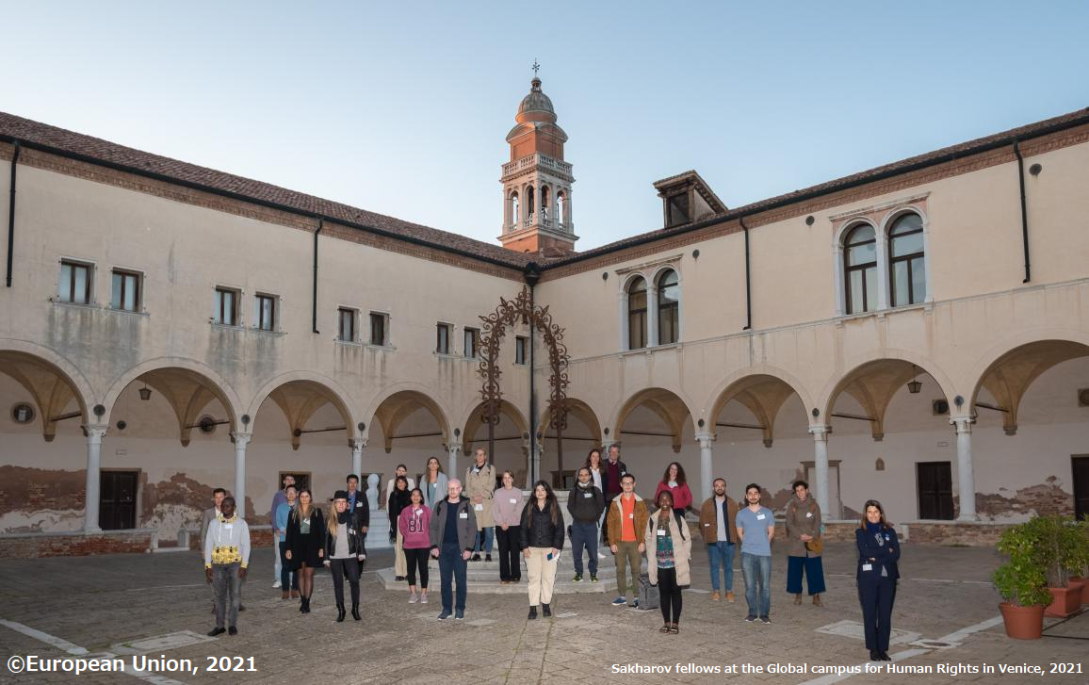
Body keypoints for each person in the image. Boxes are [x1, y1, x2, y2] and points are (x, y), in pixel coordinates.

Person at [857, 499, 900, 662]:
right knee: (869, 615)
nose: (873, 515)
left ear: (880, 513)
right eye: (870, 512)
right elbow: (866, 552)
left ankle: (882, 648)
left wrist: (878, 555)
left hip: (888, 578)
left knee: (884, 615)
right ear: (865, 514)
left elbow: (896, 554)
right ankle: (873, 649)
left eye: (876, 512)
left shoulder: (890, 531)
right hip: (868, 579)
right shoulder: (861, 532)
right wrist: (885, 551)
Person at [429, 478, 477, 620]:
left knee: (461, 580)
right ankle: (447, 609)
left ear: (460, 489)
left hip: (460, 549)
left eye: (455, 488)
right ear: (447, 490)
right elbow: (433, 527)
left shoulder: (467, 506)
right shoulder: (439, 506)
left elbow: (472, 529)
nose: (453, 491)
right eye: (450, 488)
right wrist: (433, 546)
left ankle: (460, 609)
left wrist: (469, 548)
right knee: (445, 581)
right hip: (443, 549)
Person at [645, 490, 691, 634]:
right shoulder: (653, 519)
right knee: (664, 592)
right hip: (660, 563)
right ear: (658, 502)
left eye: (667, 500)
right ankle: (666, 622)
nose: (665, 502)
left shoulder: (678, 518)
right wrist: (651, 556)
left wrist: (685, 555)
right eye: (662, 500)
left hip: (676, 562)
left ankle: (675, 623)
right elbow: (648, 538)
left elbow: (687, 539)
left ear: (672, 502)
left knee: (676, 592)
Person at [204, 496, 250, 637]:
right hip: (218, 564)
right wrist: (208, 566)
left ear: (233, 507)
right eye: (223, 505)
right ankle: (219, 626)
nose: (225, 508)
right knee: (219, 596)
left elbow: (246, 545)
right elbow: (208, 544)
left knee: (235, 595)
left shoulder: (241, 524)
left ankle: (232, 624)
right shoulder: (213, 523)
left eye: (228, 506)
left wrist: (244, 565)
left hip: (235, 564)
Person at [521, 480, 565, 619]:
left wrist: (556, 547)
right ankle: (533, 607)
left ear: (547, 492)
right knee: (533, 578)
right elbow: (522, 528)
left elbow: (559, 528)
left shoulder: (553, 506)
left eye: (543, 490)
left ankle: (545, 604)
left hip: (549, 549)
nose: (540, 492)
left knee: (548, 578)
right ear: (534, 492)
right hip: (532, 549)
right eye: (537, 490)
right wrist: (524, 546)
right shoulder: (529, 507)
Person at [605, 473, 648, 607]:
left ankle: (636, 596)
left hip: (636, 542)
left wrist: (643, 542)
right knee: (620, 570)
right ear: (621, 485)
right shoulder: (615, 503)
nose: (628, 485)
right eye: (625, 483)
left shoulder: (640, 503)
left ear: (634, 485)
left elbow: (645, 523)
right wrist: (612, 542)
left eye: (630, 483)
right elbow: (610, 523)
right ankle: (622, 596)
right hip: (619, 542)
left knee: (636, 569)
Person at [323, 491, 366, 622]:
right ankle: (341, 610)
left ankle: (355, 608)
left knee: (354, 580)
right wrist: (326, 557)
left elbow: (358, 536)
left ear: (347, 504)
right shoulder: (329, 519)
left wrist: (361, 551)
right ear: (334, 504)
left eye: (343, 502)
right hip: (335, 556)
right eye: (338, 502)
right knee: (338, 583)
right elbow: (325, 539)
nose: (341, 505)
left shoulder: (353, 517)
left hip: (350, 554)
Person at [736, 483, 775, 624]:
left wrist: (763, 543)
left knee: (765, 586)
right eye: (750, 493)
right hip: (747, 554)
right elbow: (740, 533)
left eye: (755, 493)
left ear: (759, 495)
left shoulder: (767, 513)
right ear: (746, 496)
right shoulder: (741, 514)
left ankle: (764, 614)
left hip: (764, 554)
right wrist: (748, 544)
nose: (753, 496)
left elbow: (771, 533)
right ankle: (752, 612)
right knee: (750, 586)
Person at [785, 479, 826, 607]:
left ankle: (816, 596)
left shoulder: (814, 505)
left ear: (806, 490)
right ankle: (798, 594)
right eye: (797, 491)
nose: (799, 493)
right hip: (796, 543)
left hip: (812, 543)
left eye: (802, 490)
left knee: (815, 571)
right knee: (795, 572)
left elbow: (818, 523)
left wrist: (812, 536)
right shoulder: (792, 506)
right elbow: (789, 523)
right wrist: (799, 535)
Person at [698, 477, 739, 602]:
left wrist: (736, 535)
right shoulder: (707, 504)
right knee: (714, 567)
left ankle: (729, 592)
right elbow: (702, 522)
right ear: (713, 488)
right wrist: (708, 535)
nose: (719, 487)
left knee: (728, 567)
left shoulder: (733, 504)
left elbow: (738, 522)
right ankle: (716, 591)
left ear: (725, 487)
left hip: (729, 541)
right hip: (713, 542)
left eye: (722, 485)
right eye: (717, 485)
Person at [284, 488, 325, 613]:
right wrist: (288, 549)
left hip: (312, 547)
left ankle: (307, 602)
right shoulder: (294, 513)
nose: (304, 498)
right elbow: (289, 532)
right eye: (302, 496)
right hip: (297, 547)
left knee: (309, 575)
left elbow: (321, 532)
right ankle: (303, 601)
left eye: (306, 496)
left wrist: (322, 548)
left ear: (310, 498)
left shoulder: (316, 512)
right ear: (299, 498)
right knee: (300, 574)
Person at [567, 467, 604, 582]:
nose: (583, 477)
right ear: (578, 477)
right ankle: (579, 573)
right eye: (581, 475)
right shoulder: (574, 491)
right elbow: (570, 506)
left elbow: (601, 506)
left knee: (593, 552)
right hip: (577, 526)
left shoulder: (595, 490)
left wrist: (594, 517)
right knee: (576, 551)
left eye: (586, 474)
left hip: (591, 526)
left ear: (589, 476)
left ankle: (593, 573)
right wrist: (578, 516)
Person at [398, 487, 432, 603]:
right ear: (411, 497)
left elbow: (431, 525)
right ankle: (413, 594)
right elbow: (401, 526)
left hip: (424, 544)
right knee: (410, 569)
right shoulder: (405, 511)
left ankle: (423, 594)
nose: (416, 497)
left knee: (423, 569)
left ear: (421, 497)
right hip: (409, 545)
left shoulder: (427, 510)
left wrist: (428, 537)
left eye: (418, 495)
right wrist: (407, 535)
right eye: (413, 495)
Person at [492, 470, 524, 585]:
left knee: (515, 552)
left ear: (512, 479)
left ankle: (516, 575)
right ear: (502, 480)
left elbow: (519, 511)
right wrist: (502, 522)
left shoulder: (518, 493)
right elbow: (495, 509)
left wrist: (508, 522)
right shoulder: (497, 493)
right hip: (501, 526)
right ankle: (505, 577)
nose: (506, 480)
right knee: (503, 552)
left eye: (509, 477)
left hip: (514, 526)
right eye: (504, 478)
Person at [464, 448, 496, 561]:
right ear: (475, 457)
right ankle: (476, 552)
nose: (480, 457)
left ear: (485, 456)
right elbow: (467, 487)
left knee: (488, 529)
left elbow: (491, 485)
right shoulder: (470, 469)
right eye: (478, 455)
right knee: (476, 530)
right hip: (474, 502)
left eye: (482, 455)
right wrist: (473, 497)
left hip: (486, 502)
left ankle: (488, 553)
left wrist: (481, 496)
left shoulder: (490, 469)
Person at [200, 488, 228, 614]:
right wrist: (203, 550)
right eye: (216, 497)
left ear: (225, 497)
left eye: (221, 497)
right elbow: (203, 533)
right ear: (213, 499)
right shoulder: (208, 513)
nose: (218, 500)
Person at [269, 474, 295, 589]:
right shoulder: (278, 495)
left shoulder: (298, 495)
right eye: (287, 479)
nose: (289, 481)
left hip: (294, 534)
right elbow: (274, 512)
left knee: (293, 556)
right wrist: (276, 528)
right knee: (279, 556)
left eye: (291, 479)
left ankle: (290, 579)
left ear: (294, 481)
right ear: (284, 481)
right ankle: (279, 579)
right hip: (281, 532)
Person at [274, 484, 299, 600]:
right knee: (285, 565)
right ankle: (285, 590)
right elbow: (278, 521)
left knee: (296, 566)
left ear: (297, 494)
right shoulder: (281, 507)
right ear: (285, 495)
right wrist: (284, 530)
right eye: (289, 492)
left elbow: (305, 523)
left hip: (298, 541)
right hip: (284, 539)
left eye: (293, 492)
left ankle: (294, 589)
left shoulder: (301, 507)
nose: (291, 494)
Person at [600, 444, 629, 545]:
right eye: (612, 452)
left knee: (618, 518)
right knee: (607, 519)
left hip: (619, 495)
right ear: (608, 453)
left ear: (618, 454)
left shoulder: (622, 466)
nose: (613, 454)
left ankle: (618, 537)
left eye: (615, 452)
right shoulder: (602, 464)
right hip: (606, 495)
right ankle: (607, 539)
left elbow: (625, 480)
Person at [388, 475, 412, 581]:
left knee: (407, 547)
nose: (401, 484)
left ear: (406, 483)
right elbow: (391, 512)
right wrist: (393, 525)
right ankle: (399, 573)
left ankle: (407, 572)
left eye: (403, 482)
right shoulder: (393, 495)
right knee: (398, 548)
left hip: (408, 521)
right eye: (399, 482)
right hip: (397, 521)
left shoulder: (410, 494)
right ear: (396, 484)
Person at [345, 474, 371, 545]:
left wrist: (365, 524)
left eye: (355, 482)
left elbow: (366, 510)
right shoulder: (343, 495)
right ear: (347, 483)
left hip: (359, 525)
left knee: (359, 545)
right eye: (351, 482)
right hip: (346, 524)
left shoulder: (362, 495)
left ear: (357, 484)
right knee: (348, 544)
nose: (353, 484)